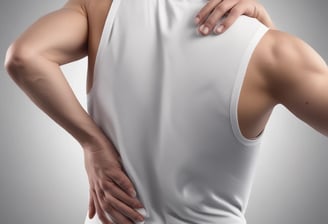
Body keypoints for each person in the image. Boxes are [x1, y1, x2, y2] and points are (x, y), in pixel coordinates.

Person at [6, 0, 325, 224]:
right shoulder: (275, 51)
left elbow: (24, 56)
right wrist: (264, 31)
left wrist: (92, 143)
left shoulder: (100, 8)